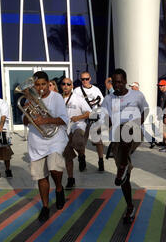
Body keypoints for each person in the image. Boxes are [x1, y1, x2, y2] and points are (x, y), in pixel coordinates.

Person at [101, 68, 149, 223]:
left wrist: (138, 123)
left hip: (134, 132)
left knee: (127, 128)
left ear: (126, 82)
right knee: (124, 179)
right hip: (117, 139)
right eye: (115, 82)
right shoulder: (108, 99)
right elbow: (106, 120)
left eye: (120, 82)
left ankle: (123, 165)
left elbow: (145, 110)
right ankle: (129, 206)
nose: (118, 85)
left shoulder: (137, 95)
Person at [23, 71, 69, 222]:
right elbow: (24, 121)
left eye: (43, 84)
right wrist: (28, 113)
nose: (40, 87)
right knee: (41, 175)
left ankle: (59, 188)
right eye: (37, 85)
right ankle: (45, 206)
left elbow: (63, 120)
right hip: (37, 140)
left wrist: (46, 120)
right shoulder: (29, 99)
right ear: (34, 86)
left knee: (54, 166)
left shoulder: (56, 98)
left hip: (55, 137)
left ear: (48, 83)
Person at [61, 77, 92, 189]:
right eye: (63, 84)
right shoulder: (59, 99)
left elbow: (89, 113)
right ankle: (70, 179)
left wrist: (78, 117)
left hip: (78, 126)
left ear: (72, 86)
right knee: (67, 156)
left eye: (68, 84)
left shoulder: (78, 98)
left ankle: (81, 155)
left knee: (78, 141)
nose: (66, 86)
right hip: (64, 130)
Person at [74, 71, 105, 171]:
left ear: (90, 79)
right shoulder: (77, 91)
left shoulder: (96, 90)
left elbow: (102, 103)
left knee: (98, 141)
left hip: (95, 118)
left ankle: (101, 161)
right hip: (83, 118)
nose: (85, 81)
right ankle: (82, 159)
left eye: (87, 79)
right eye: (83, 79)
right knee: (82, 141)